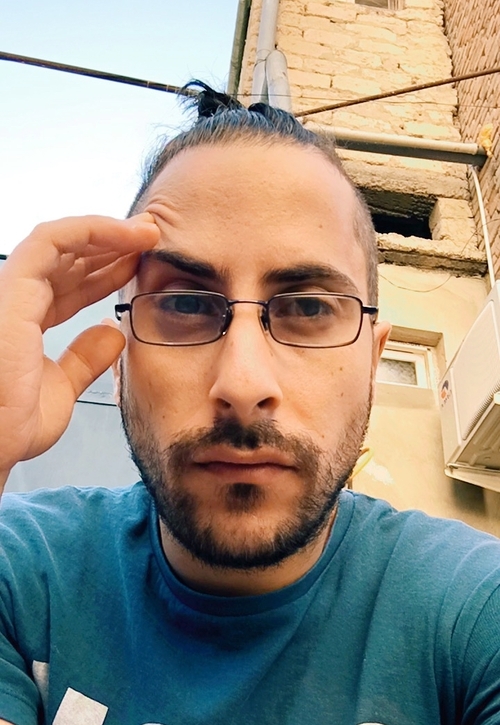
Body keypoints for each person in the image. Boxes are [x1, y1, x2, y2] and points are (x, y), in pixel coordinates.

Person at [0, 83, 499, 725]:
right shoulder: (23, 575)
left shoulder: (471, 613)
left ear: (372, 364)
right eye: (184, 303)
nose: (241, 384)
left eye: (309, 308)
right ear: (120, 359)